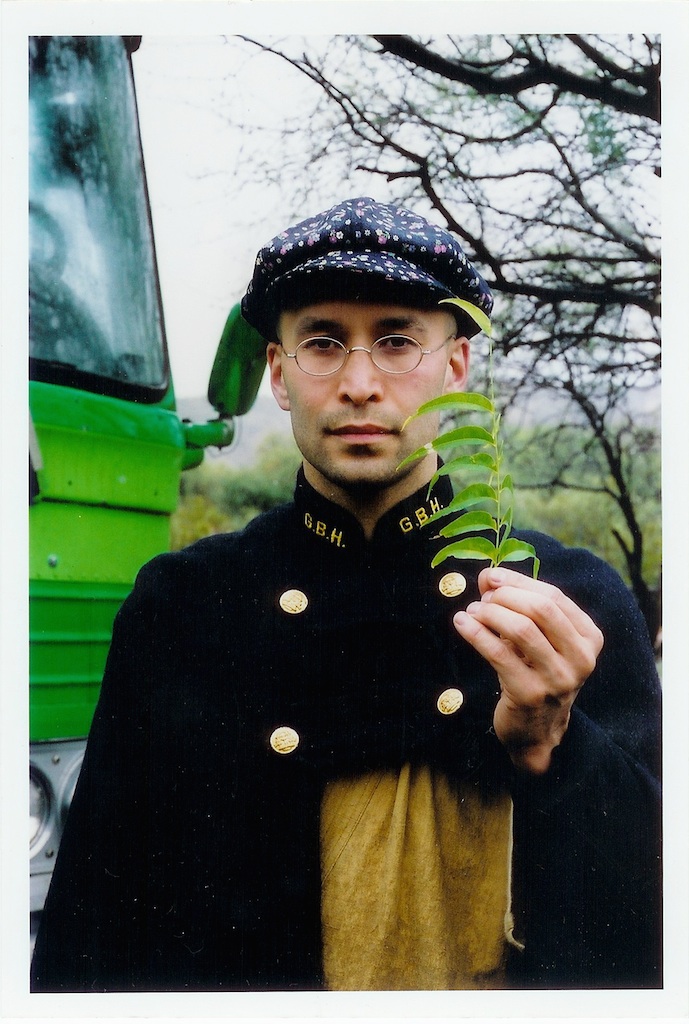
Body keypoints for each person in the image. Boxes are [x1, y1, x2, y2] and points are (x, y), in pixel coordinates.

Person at [31, 197, 661, 992]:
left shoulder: (563, 599)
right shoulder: (185, 606)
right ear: (277, 372)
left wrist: (554, 747)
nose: (359, 384)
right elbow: (93, 928)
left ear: (455, 368)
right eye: (322, 343)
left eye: (397, 341)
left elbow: (653, 931)